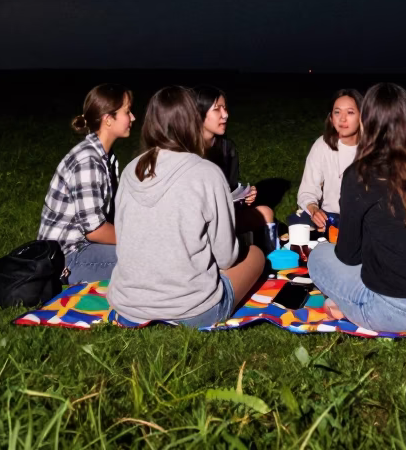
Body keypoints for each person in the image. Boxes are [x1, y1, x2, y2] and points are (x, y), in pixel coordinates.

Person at [308, 83, 406, 331]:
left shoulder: (360, 174)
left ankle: (349, 305)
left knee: (319, 256)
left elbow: (348, 255)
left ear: (367, 122)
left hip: (392, 313)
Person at [107, 86, 265, 328]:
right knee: (256, 256)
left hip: (128, 306)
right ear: (193, 122)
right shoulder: (206, 173)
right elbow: (226, 257)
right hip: (192, 309)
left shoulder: (131, 169)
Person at [38, 83, 134, 285]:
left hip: (84, 247)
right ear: (108, 120)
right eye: (127, 112)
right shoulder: (87, 160)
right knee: (145, 261)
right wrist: (135, 238)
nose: (133, 117)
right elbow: (95, 230)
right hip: (66, 258)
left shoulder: (106, 158)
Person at [192, 85, 279, 251]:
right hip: (198, 222)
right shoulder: (187, 152)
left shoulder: (226, 148)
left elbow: (231, 188)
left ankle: (271, 262)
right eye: (217, 109)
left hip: (226, 216)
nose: (225, 115)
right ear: (198, 113)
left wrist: (245, 197)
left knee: (266, 212)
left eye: (225, 108)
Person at [292, 89, 363, 232]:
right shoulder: (323, 145)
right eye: (337, 112)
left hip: (364, 219)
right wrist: (313, 209)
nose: (342, 119)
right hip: (331, 218)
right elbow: (308, 190)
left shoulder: (374, 148)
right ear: (331, 118)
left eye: (350, 112)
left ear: (362, 117)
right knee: (297, 223)